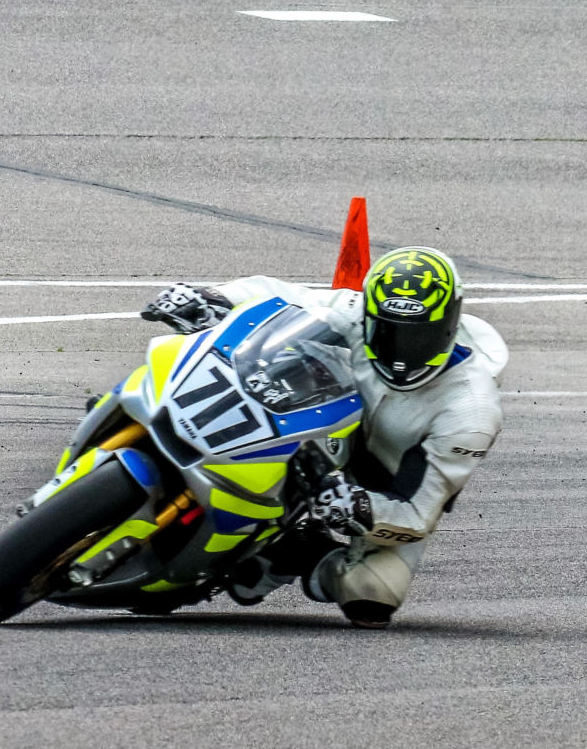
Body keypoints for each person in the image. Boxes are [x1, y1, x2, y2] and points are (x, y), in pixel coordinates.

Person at [140, 247, 506, 627]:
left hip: (380, 480)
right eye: (387, 331)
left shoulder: (472, 412)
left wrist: (354, 505)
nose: (400, 351)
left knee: (373, 592)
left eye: (417, 338)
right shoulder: (356, 311)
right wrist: (214, 297)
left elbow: (416, 515)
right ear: (369, 312)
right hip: (317, 422)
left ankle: (297, 552)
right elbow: (278, 296)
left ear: (449, 323)